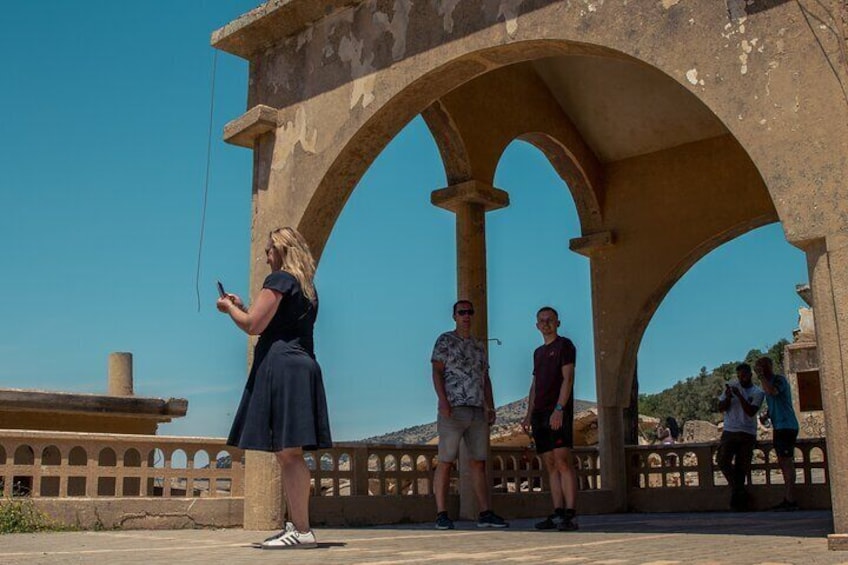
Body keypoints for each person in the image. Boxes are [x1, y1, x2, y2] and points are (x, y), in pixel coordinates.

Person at [217, 227, 332, 549]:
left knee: (288, 454)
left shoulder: (279, 279)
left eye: (269, 249)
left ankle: (302, 529)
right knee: (289, 453)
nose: (265, 255)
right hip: (302, 365)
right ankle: (298, 527)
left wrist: (230, 310)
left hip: (283, 368)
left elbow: (253, 325)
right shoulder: (306, 287)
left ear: (282, 251)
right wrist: (242, 305)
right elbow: (271, 318)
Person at [431, 300, 508, 530]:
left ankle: (485, 512)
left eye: (469, 312)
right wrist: (443, 401)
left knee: (479, 462)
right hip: (453, 409)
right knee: (445, 461)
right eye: (462, 312)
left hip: (477, 409)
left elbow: (485, 378)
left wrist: (491, 406)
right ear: (454, 316)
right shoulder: (445, 341)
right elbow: (436, 371)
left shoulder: (478, 346)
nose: (466, 316)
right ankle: (441, 514)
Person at [522, 306, 579, 532]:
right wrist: (528, 415)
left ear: (557, 323)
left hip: (557, 412)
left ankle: (570, 514)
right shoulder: (538, 353)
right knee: (550, 465)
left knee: (563, 461)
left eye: (550, 320)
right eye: (542, 321)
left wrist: (559, 409)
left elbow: (568, 379)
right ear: (537, 325)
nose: (546, 324)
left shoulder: (565, 346)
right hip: (539, 414)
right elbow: (535, 385)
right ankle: (557, 512)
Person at [717, 363, 764, 511]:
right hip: (730, 431)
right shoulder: (731, 388)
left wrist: (740, 395)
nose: (740, 378)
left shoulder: (757, 392)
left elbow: (751, 411)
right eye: (738, 376)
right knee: (722, 460)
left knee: (741, 467)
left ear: (750, 375)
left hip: (747, 432)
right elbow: (720, 407)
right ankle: (740, 491)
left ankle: (738, 502)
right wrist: (729, 397)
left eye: (743, 375)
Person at [755, 356, 800, 511]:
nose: (760, 370)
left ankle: (791, 499)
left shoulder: (778, 380)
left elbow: (772, 392)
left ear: (770, 366)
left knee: (787, 462)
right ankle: (788, 498)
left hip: (786, 426)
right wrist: (767, 414)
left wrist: (761, 377)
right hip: (779, 426)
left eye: (762, 367)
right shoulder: (767, 384)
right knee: (783, 462)